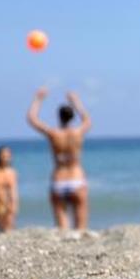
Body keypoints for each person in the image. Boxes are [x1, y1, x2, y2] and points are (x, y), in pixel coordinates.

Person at [27, 87, 91, 230]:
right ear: (73, 117)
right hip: (77, 178)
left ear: (58, 117)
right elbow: (87, 120)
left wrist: (38, 99)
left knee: (62, 228)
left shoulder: (54, 134)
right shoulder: (78, 133)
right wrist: (76, 101)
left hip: (59, 180)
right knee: (81, 227)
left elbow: (32, 119)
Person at [0, 145, 19, 232]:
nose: (5, 158)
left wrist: (15, 203)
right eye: (3, 155)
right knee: (2, 228)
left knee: (9, 227)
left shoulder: (12, 172)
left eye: (8, 156)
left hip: (9, 201)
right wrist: (3, 202)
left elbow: (14, 190)